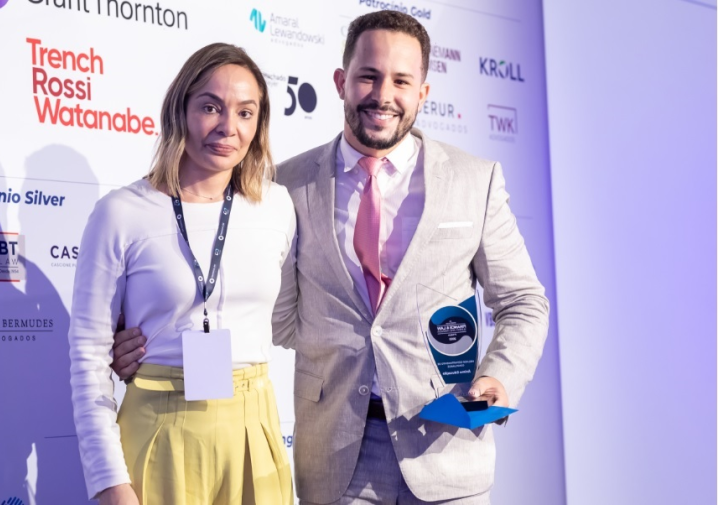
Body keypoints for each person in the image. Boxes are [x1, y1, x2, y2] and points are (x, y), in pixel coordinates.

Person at [112, 10, 549, 505]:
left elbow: (524, 302)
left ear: (423, 93)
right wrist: (151, 339)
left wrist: (498, 376)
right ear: (341, 82)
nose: (383, 95)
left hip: (446, 450)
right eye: (369, 76)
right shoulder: (282, 186)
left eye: (401, 81)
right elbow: (244, 300)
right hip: (337, 457)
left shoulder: (474, 180)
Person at [68, 43, 295, 505]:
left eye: (245, 112)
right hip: (160, 425)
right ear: (180, 111)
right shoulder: (121, 213)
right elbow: (88, 356)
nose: (228, 127)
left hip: (256, 431)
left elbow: (293, 317)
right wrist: (108, 480)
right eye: (210, 107)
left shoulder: (276, 205)